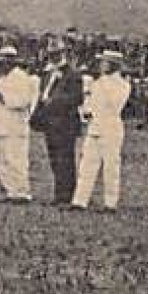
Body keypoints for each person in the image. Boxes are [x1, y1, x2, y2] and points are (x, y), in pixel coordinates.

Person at [71, 49, 130, 211]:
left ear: (113, 65)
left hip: (111, 128)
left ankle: (111, 202)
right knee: (87, 164)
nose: (101, 65)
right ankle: (80, 200)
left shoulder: (123, 85)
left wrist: (96, 85)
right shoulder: (97, 83)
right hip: (95, 127)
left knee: (111, 165)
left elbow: (114, 103)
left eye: (104, 62)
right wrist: (85, 110)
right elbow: (88, 104)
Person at [0, 46, 40, 203]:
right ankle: (8, 189)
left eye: (4, 62)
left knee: (16, 159)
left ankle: (21, 192)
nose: (1, 66)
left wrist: (0, 96)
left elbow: (22, 102)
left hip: (14, 126)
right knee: (1, 161)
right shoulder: (0, 79)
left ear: (11, 62)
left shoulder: (21, 78)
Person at [34, 45, 85, 205]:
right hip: (50, 122)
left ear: (62, 54)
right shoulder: (48, 74)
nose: (52, 57)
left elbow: (77, 98)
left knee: (65, 159)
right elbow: (42, 95)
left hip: (65, 122)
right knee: (54, 158)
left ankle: (67, 194)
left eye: (55, 54)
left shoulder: (73, 74)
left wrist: (55, 101)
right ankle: (59, 193)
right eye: (50, 54)